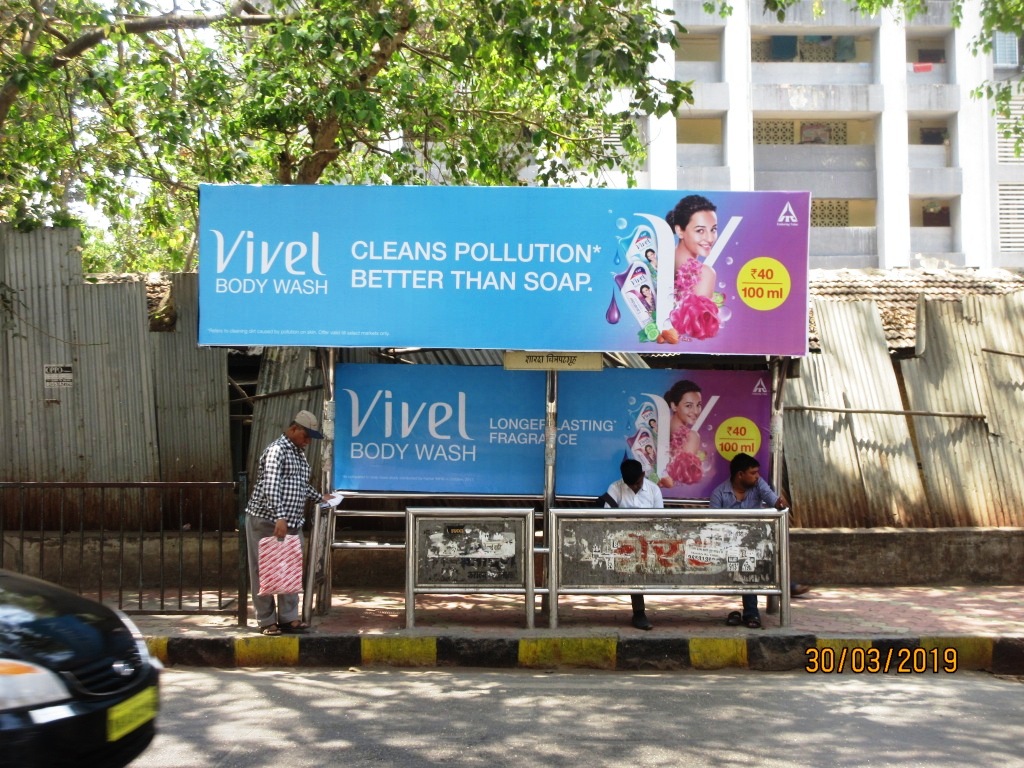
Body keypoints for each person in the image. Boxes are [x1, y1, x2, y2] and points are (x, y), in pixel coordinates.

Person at [245, 409, 335, 636]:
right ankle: (266, 620)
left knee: (289, 569)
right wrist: (280, 517)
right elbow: (271, 485)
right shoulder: (277, 451)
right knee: (263, 570)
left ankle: (288, 618)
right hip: (268, 521)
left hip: (290, 523)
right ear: (294, 429)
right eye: (305, 436)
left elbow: (300, 486)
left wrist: (319, 498)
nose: (307, 442)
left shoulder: (298, 454)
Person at [709, 453, 810, 629]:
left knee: (756, 556)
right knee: (747, 560)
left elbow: (772, 499)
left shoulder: (758, 485)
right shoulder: (719, 494)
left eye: (757, 472)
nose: (757, 476)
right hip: (727, 547)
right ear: (740, 474)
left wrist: (779, 503)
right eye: (753, 473)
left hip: (754, 544)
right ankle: (754, 611)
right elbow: (712, 528)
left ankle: (755, 609)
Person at [602, 459, 664, 631]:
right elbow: (607, 517)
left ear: (643, 475)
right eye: (630, 485)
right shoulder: (615, 488)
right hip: (624, 542)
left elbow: (660, 522)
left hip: (650, 541)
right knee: (634, 561)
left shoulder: (654, 490)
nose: (634, 488)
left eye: (636, 484)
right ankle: (639, 612)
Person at [664, 194, 720, 342]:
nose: (709, 238)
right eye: (700, 230)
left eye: (713, 229)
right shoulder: (705, 274)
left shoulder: (658, 260)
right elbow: (696, 331)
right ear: (680, 231)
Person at [659, 378, 704, 488]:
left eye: (698, 405)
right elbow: (683, 478)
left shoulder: (658, 427)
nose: (696, 411)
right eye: (689, 406)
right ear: (674, 406)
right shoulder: (692, 436)